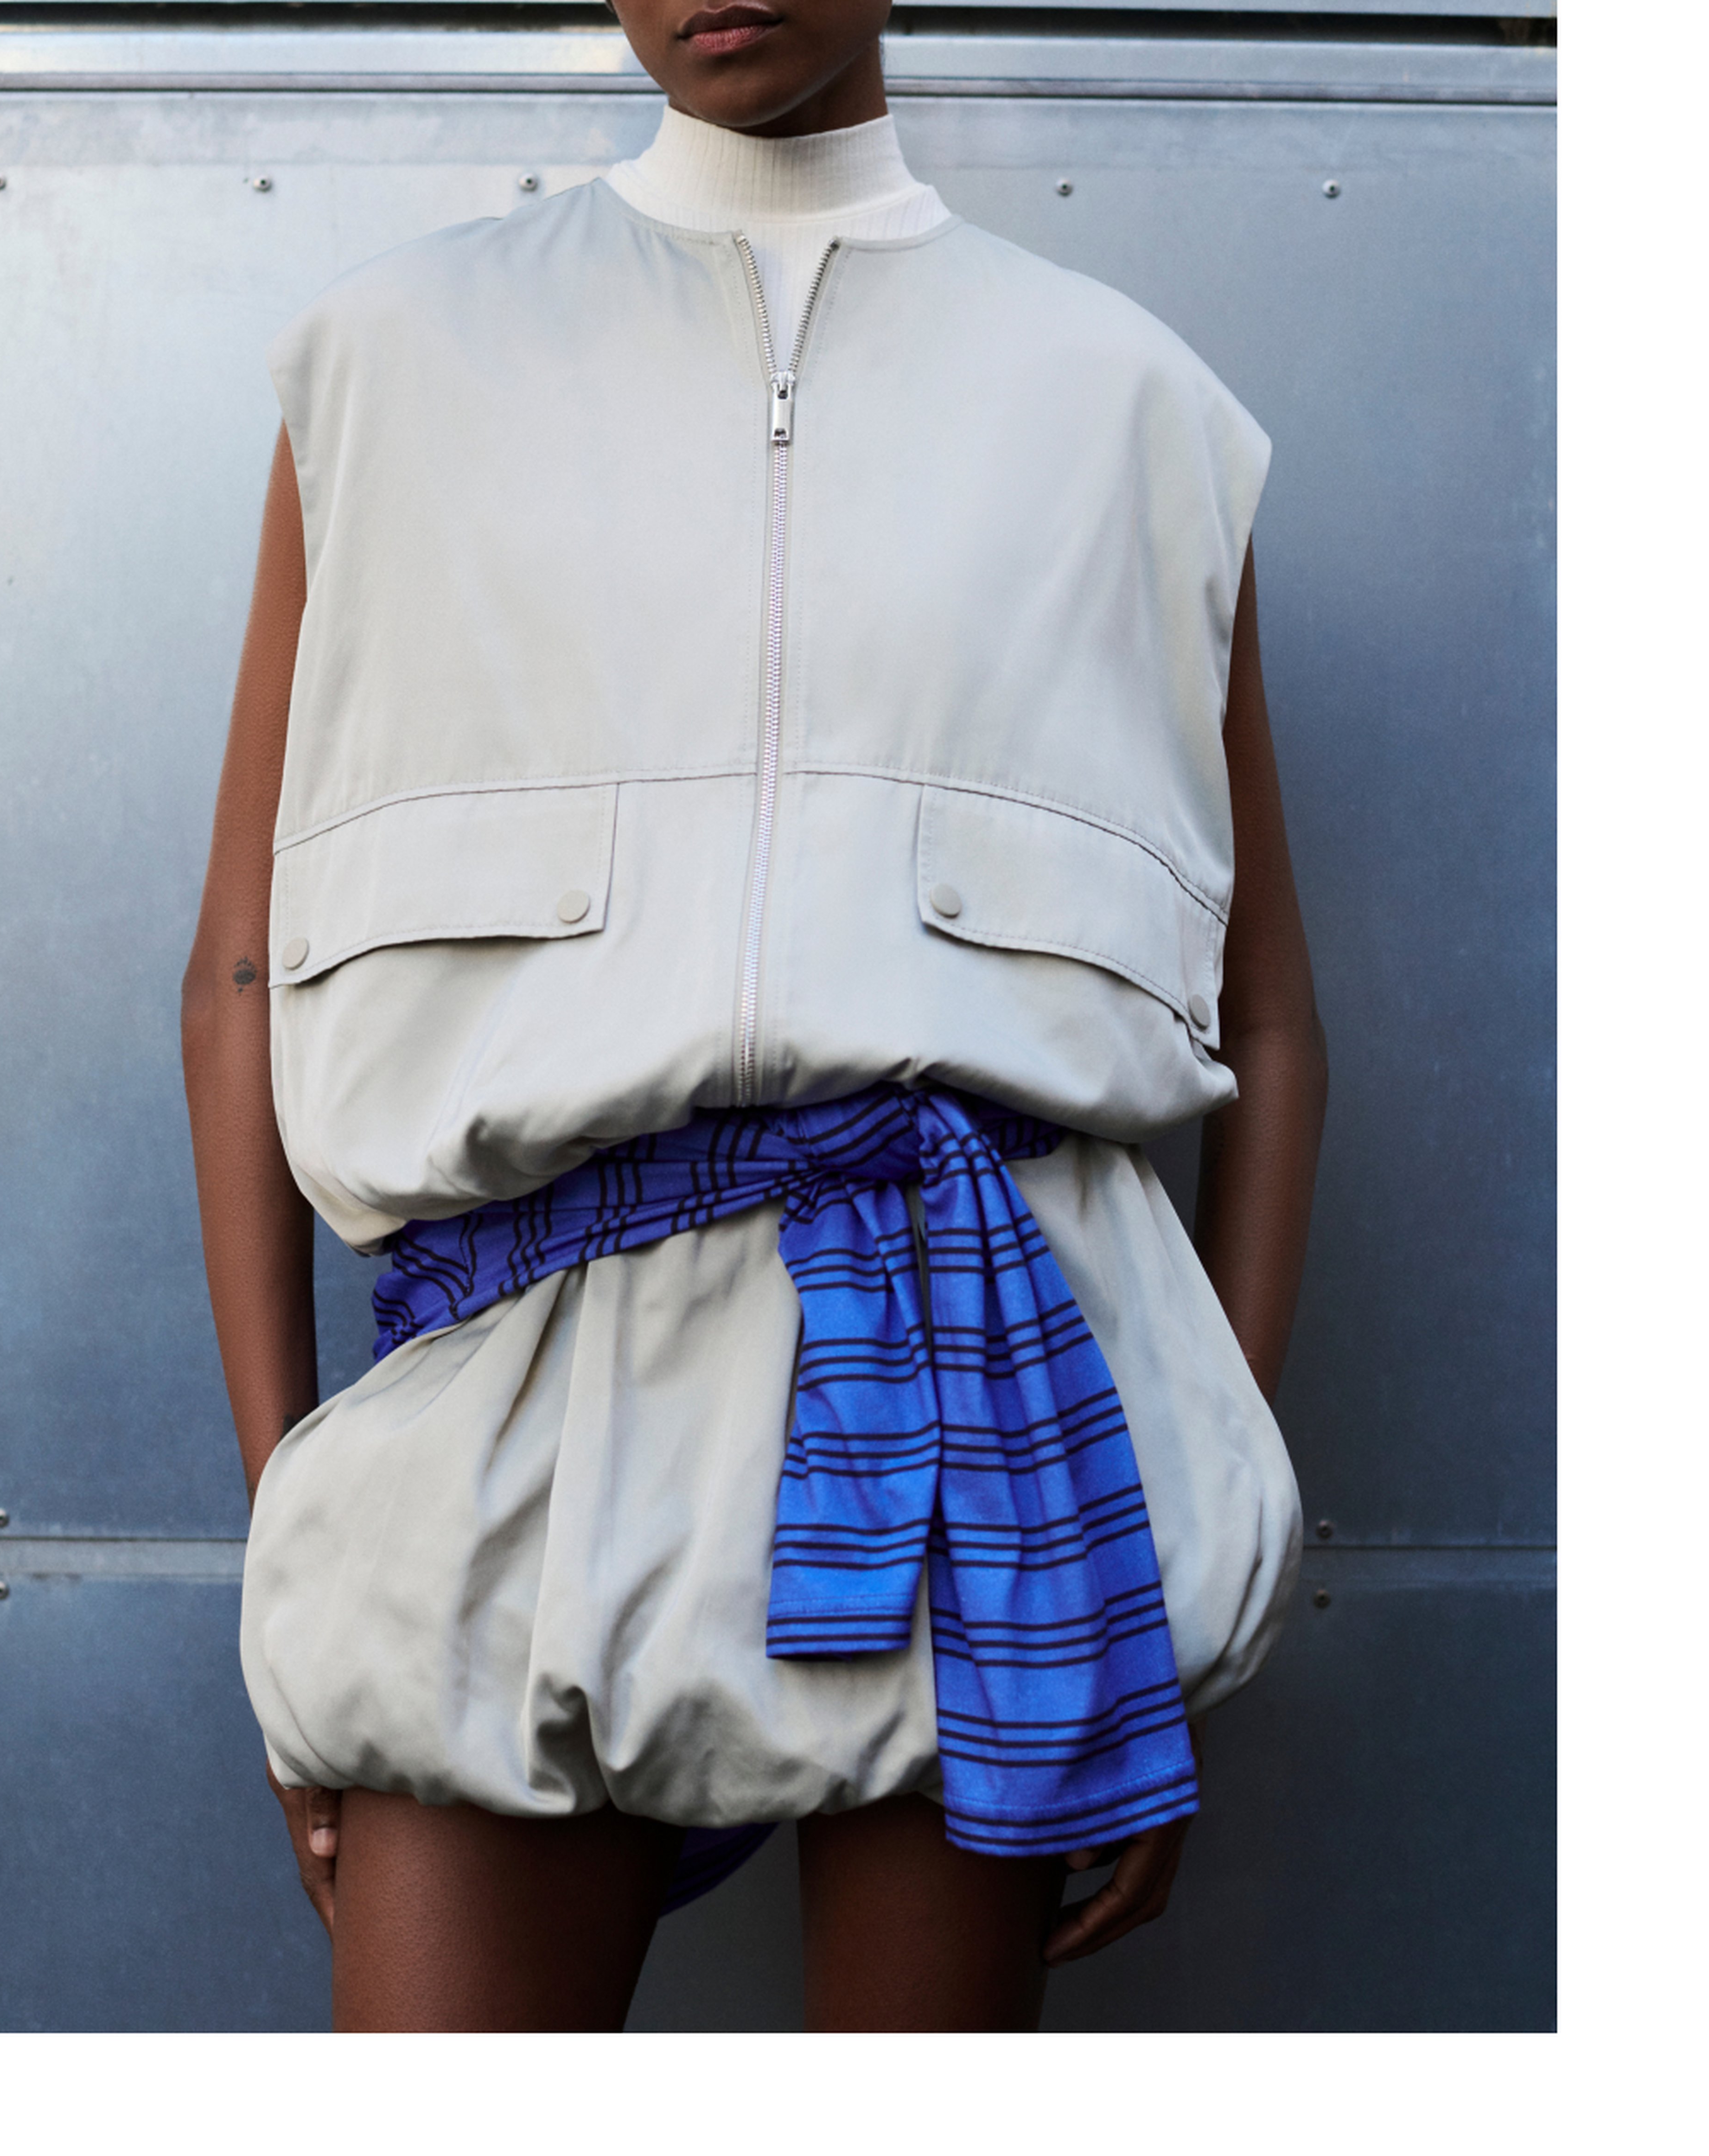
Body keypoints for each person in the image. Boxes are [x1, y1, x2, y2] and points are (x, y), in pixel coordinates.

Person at [179, 0, 1325, 2030]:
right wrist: (298, 1528)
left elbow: (1268, 1020)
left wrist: (1162, 1552)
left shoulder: (1134, 408)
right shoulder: (389, 368)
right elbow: (241, 971)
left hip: (992, 1425)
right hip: (516, 1411)